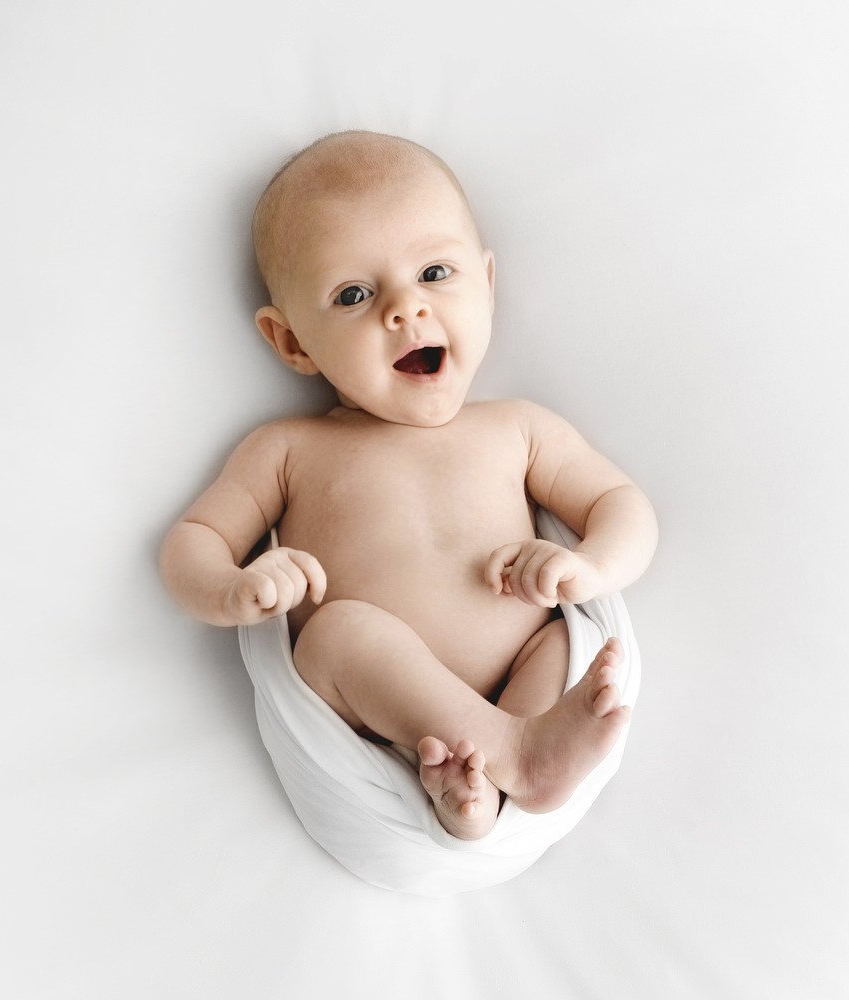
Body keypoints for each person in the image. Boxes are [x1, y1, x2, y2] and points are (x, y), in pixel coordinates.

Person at [158, 130, 657, 841]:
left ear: (486, 283)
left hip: (524, 685)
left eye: (433, 274)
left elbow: (622, 507)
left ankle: (478, 781)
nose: (404, 309)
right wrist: (233, 587)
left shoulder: (518, 429)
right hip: (374, 712)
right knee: (338, 634)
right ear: (293, 342)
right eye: (355, 294)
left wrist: (587, 566)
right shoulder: (289, 449)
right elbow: (192, 544)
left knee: (558, 645)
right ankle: (511, 755)